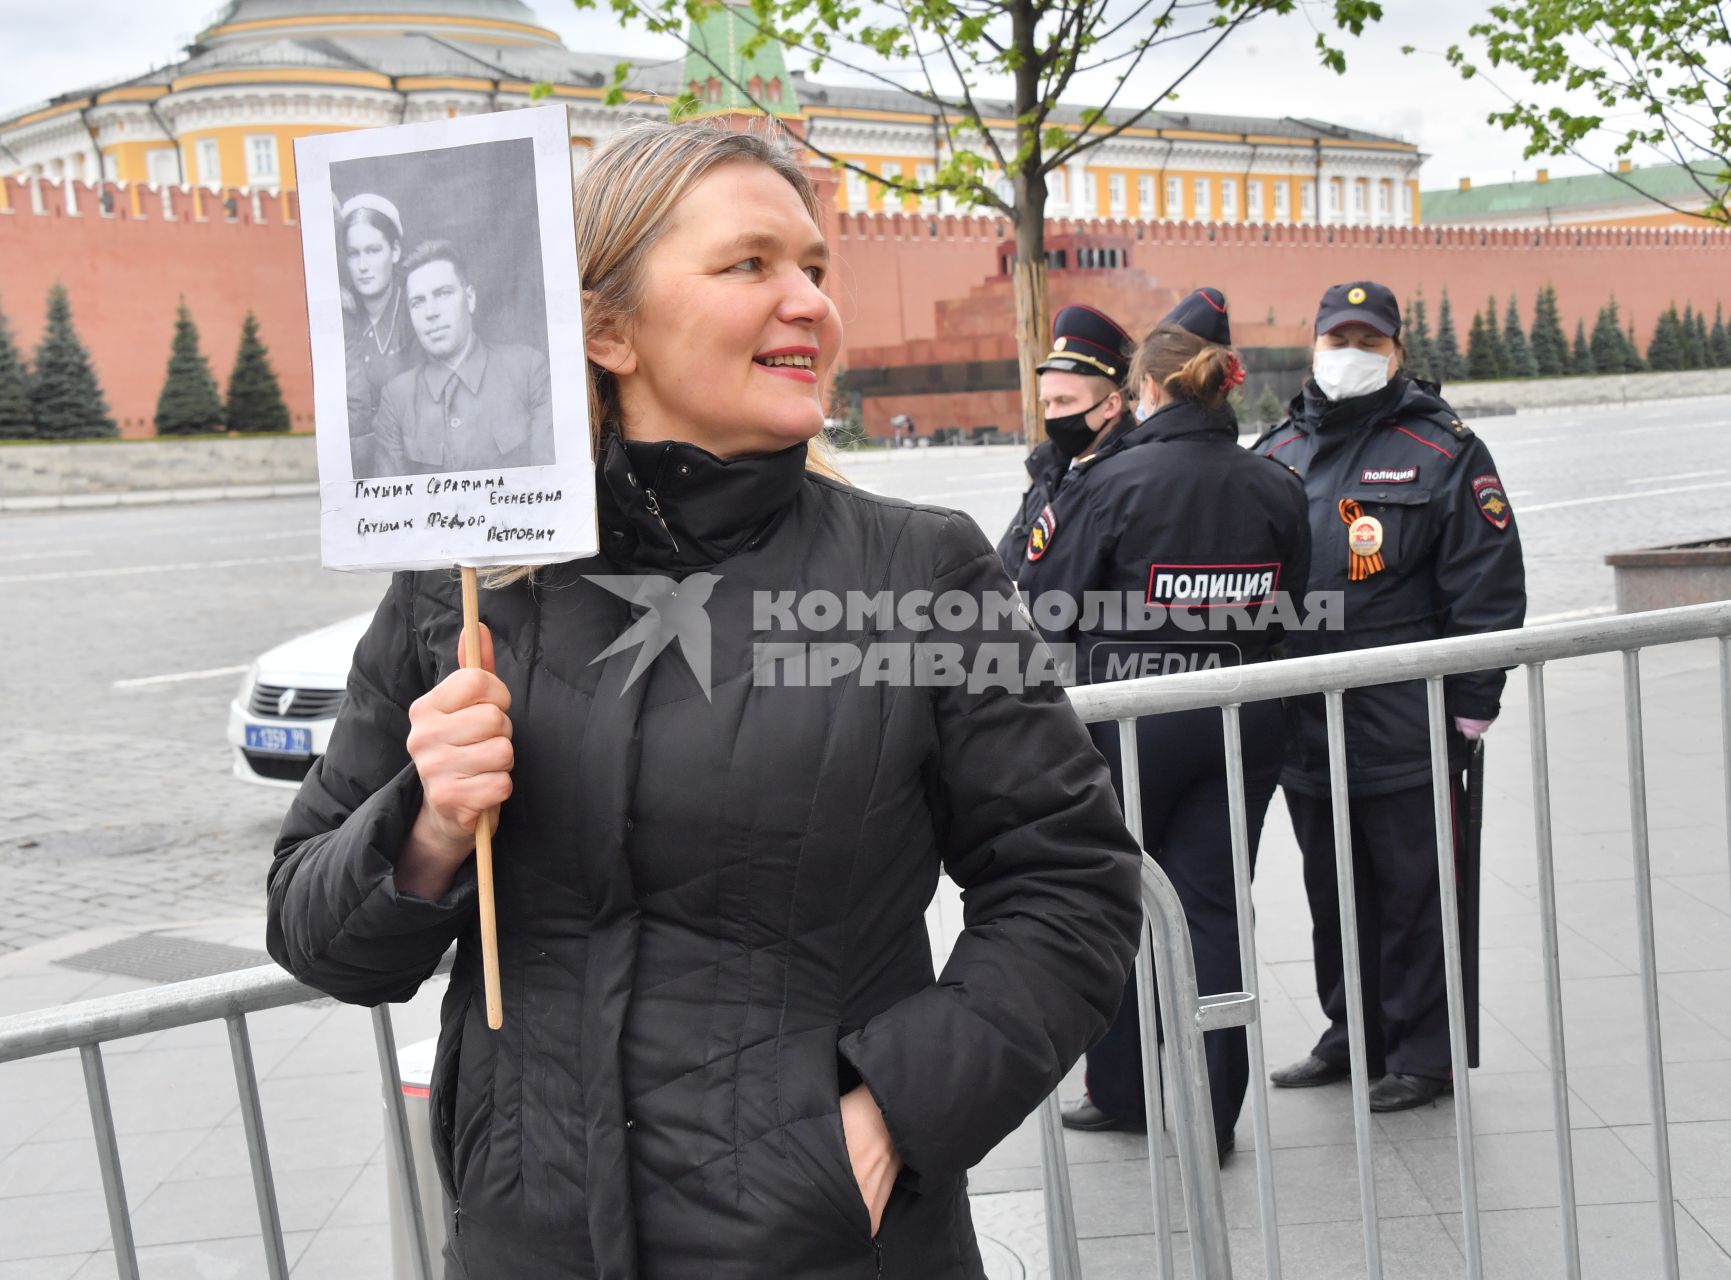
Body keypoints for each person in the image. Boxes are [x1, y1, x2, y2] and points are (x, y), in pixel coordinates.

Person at [266, 120, 1141, 1279]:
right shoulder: (459, 587)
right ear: (607, 328)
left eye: (814, 270)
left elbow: (1069, 887)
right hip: (533, 1244)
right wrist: (424, 826)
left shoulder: (915, 573)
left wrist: (887, 1118)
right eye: (751, 265)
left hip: (826, 1246)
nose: (810, 304)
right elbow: (315, 932)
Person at [1014, 288, 1312, 1156]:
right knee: (1215, 914)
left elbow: (1047, 604)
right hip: (1238, 720)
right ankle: (1211, 1115)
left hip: (1132, 722)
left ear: (1147, 389)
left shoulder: (1110, 483)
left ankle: (1121, 1089)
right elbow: (1289, 608)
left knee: (1114, 903)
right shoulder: (1275, 483)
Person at [1253, 280, 1526, 1112]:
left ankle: (1424, 1051)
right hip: (1306, 719)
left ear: (1397, 352)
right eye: (1339, 339)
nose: (1351, 356)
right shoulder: (1275, 453)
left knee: (1415, 892)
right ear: (1313, 346)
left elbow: (1488, 585)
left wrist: (1470, 707)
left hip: (1408, 716)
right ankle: (1353, 1033)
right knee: (1332, 890)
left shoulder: (1445, 451)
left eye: (1369, 343)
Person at [366, 239, 555, 477]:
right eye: (417, 302)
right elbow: (390, 508)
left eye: (443, 294)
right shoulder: (396, 399)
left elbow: (552, 489)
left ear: (470, 298)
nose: (431, 312)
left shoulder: (527, 371)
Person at [994, 304, 1134, 579]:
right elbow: (1004, 565)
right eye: (1047, 403)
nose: (1052, 415)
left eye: (1064, 401)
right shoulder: (1051, 469)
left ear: (1111, 405)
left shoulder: (1130, 479)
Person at [338, 193, 418, 476]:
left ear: (394, 251)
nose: (362, 266)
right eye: (353, 253)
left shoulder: (415, 310)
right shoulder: (341, 316)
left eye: (373, 251)